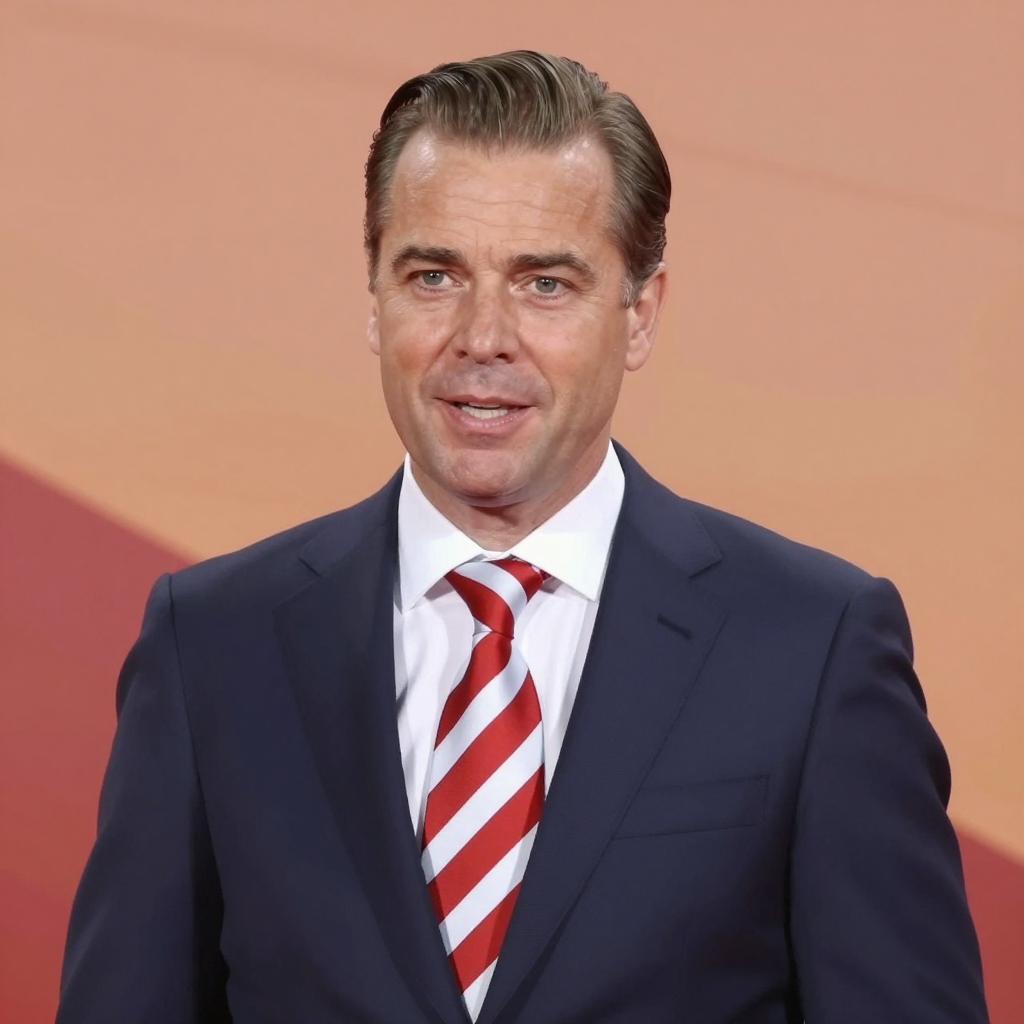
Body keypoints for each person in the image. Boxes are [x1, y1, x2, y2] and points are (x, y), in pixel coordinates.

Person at [56, 51, 989, 1023]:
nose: (482, 337)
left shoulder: (812, 648)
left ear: (639, 314)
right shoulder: (212, 645)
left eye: (544, 284)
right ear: (373, 298)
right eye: (434, 276)